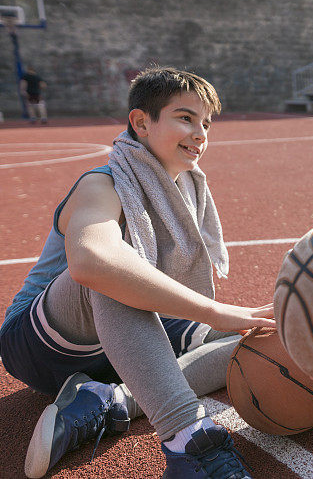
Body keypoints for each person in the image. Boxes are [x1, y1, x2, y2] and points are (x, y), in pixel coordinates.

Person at [0, 67, 274, 478]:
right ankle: (190, 445)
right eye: (185, 117)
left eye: (206, 123)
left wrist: (233, 318)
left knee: (262, 333)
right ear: (141, 122)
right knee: (114, 272)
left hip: (118, 346)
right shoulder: (102, 184)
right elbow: (93, 263)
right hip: (41, 343)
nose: (200, 133)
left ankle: (110, 400)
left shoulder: (186, 190)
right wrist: (213, 312)